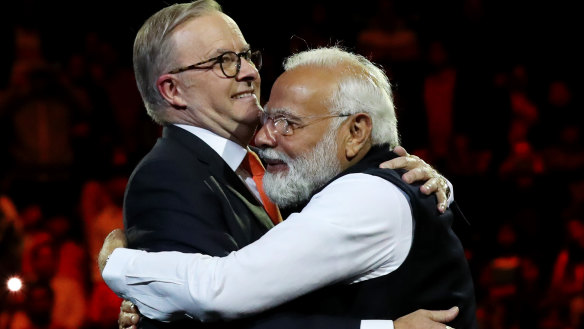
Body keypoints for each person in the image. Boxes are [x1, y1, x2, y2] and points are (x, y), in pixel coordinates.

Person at [100, 1, 458, 328]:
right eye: (223, 61)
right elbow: (219, 304)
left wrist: (407, 183)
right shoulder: (167, 179)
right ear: (172, 90)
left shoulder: (278, 167)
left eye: (246, 55)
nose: (248, 72)